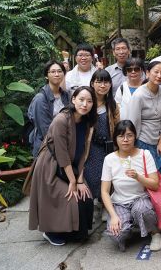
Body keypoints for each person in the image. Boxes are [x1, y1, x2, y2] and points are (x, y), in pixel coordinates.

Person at [28, 86, 97, 246]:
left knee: (85, 196)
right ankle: (51, 231)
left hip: (70, 167)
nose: (85, 104)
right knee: (69, 198)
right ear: (73, 100)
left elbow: (83, 153)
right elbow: (61, 154)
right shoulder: (61, 120)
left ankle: (74, 232)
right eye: (81, 99)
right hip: (51, 166)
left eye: (89, 101)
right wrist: (72, 183)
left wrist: (79, 181)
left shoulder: (86, 122)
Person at [101, 120, 161, 252]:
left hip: (140, 198)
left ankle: (154, 232)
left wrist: (138, 177)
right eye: (121, 136)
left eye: (129, 135)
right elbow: (104, 191)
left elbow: (155, 185)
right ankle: (127, 230)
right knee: (116, 234)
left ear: (135, 137)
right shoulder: (109, 159)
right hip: (119, 203)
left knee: (142, 211)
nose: (125, 140)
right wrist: (112, 215)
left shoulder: (144, 154)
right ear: (115, 139)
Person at [126, 61, 161, 195]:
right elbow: (133, 123)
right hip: (143, 141)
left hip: (160, 141)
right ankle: (151, 208)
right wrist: (135, 147)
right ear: (147, 73)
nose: (159, 75)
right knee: (148, 177)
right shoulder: (139, 95)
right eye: (156, 72)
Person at [86, 70, 120, 200]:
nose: (102, 85)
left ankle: (104, 205)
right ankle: (94, 208)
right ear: (92, 83)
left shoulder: (113, 105)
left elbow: (117, 128)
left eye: (106, 82)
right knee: (92, 178)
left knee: (106, 178)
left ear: (110, 85)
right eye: (99, 81)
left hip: (108, 148)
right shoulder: (87, 102)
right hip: (91, 147)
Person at [28, 60, 69, 157]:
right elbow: (45, 129)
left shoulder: (65, 95)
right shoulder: (40, 99)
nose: (57, 74)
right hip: (47, 147)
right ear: (46, 76)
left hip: (63, 142)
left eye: (59, 71)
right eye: (53, 72)